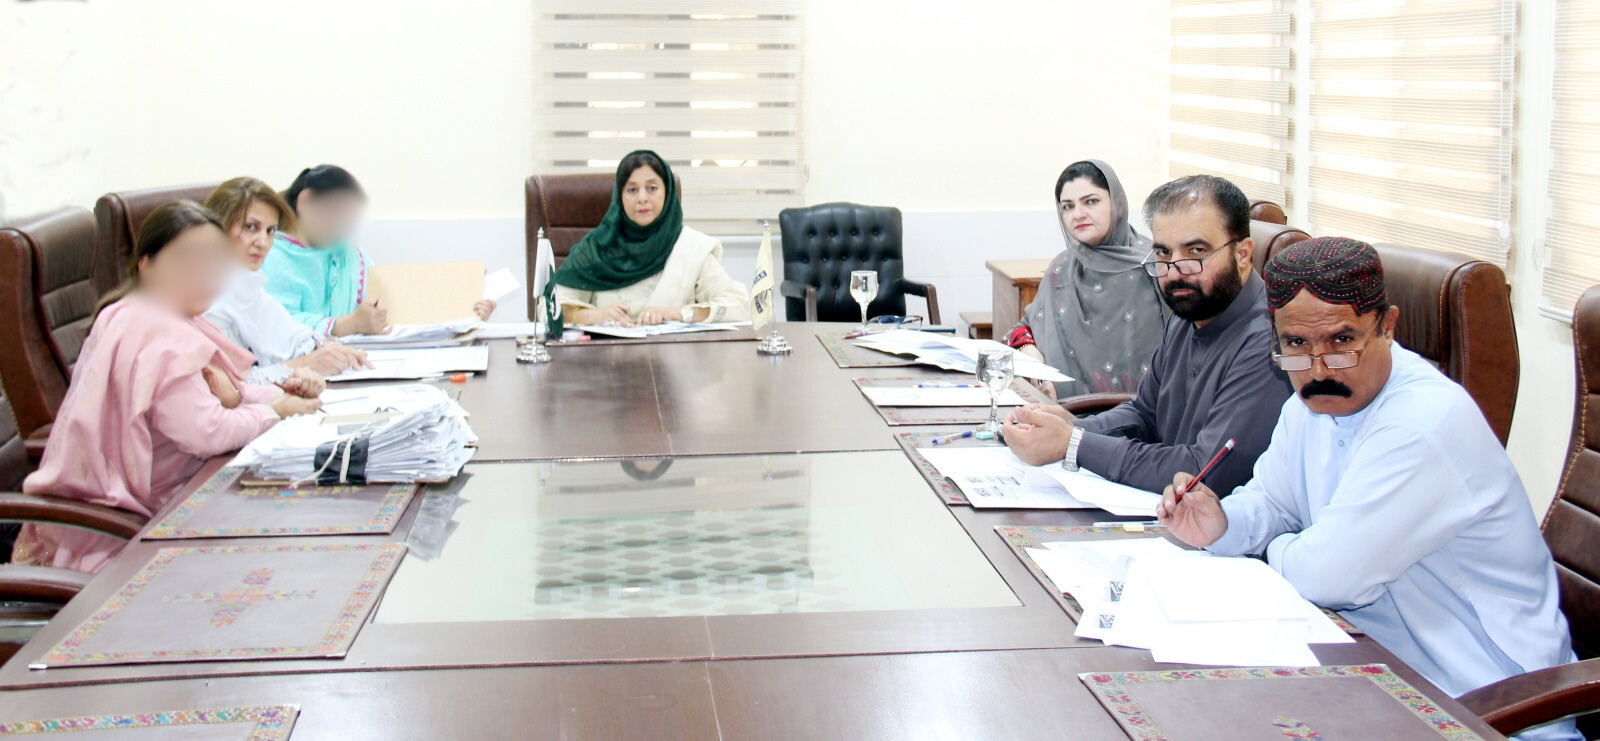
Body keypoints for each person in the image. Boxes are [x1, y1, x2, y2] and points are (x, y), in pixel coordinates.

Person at [1157, 237, 1578, 741]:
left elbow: (1326, 577)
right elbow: (1273, 501)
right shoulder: (1309, 406)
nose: (1318, 369)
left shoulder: (1422, 424)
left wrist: (1276, 547)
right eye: (1296, 344)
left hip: (1479, 706)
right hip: (1373, 671)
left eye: (1342, 341)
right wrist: (1223, 525)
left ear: (1388, 327)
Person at [13, 201, 323, 573]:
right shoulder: (157, 333)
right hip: (124, 531)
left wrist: (283, 393)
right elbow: (206, 431)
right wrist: (275, 411)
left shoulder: (153, 314)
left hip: (164, 500)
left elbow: (227, 391)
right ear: (147, 265)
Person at [1002, 174, 1292, 497]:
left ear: (1242, 255)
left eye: (1196, 251)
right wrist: (1068, 427)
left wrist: (1073, 443)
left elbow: (1202, 472)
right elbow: (1145, 413)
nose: (1176, 270)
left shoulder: (1269, 342)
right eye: (1164, 253)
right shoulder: (1189, 312)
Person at [261, 165, 495, 338]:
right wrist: (346, 325)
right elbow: (273, 327)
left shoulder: (346, 253)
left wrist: (467, 313)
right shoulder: (271, 255)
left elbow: (391, 304)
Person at [1005, 160, 1166, 399]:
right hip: (1061, 412)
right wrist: (1033, 359)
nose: (1078, 214)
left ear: (1118, 203)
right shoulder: (1062, 268)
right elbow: (1022, 330)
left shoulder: (1156, 266)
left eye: (1091, 201)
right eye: (1068, 206)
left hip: (1141, 415)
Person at [552, 150, 750, 326]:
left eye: (652, 188)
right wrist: (594, 315)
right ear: (619, 197)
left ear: (668, 193)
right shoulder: (597, 247)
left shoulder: (691, 247)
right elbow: (550, 306)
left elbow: (738, 304)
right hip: (608, 354)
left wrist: (676, 314)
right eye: (632, 190)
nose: (642, 198)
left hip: (674, 355)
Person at [203, 177, 371, 380]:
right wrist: (305, 364)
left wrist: (328, 348)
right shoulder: (205, 295)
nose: (263, 242)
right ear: (218, 228)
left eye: (270, 231)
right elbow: (229, 387)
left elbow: (288, 333)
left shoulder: (245, 282)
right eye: (250, 227)